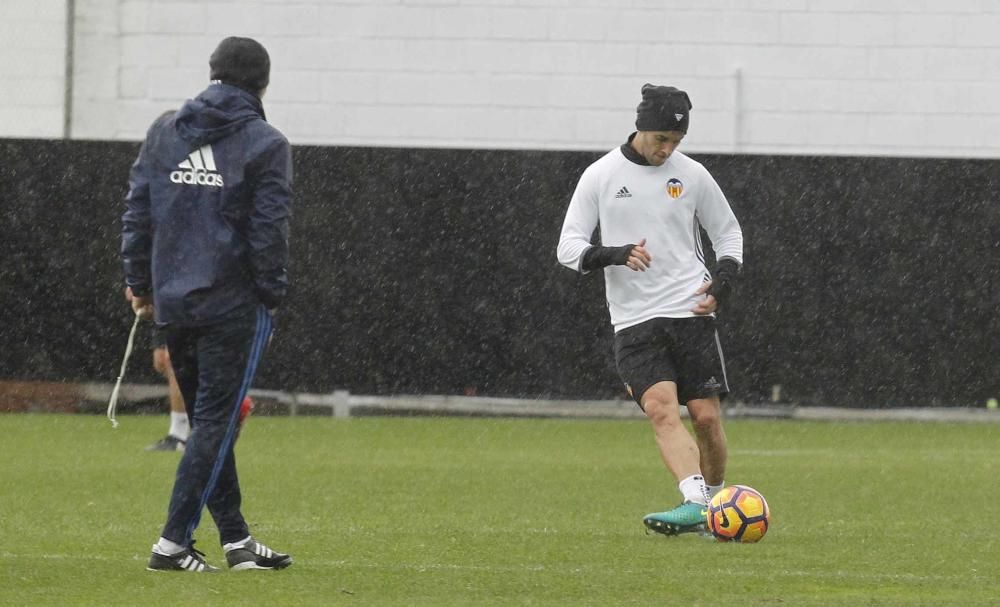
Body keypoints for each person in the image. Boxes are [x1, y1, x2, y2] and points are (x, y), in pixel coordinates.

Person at [121, 36, 293, 571]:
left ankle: (237, 541)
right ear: (263, 83)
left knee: (205, 422)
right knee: (216, 423)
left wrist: (138, 282)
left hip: (174, 300)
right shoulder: (267, 143)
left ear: (212, 72)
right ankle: (171, 545)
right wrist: (271, 294)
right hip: (231, 305)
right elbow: (269, 233)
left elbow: (138, 211)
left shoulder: (164, 130)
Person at [556, 84, 744, 536]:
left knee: (705, 417)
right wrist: (615, 254)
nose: (668, 149)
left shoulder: (693, 174)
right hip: (634, 319)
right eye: (662, 139)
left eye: (676, 142)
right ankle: (697, 503)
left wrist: (724, 282)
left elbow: (729, 233)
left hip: (690, 312)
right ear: (641, 128)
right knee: (662, 409)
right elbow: (568, 247)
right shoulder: (600, 175)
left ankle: (715, 501)